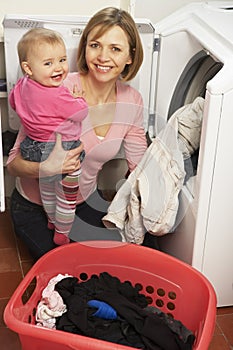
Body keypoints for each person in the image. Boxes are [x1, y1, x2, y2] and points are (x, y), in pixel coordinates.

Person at [7, 7, 148, 260]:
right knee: (64, 271)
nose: (103, 57)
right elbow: (13, 164)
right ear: (85, 48)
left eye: (115, 49)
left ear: (130, 56)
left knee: (111, 263)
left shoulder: (132, 101)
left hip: (83, 201)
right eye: (95, 45)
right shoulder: (56, 85)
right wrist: (47, 168)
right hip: (34, 206)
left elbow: (139, 163)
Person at [9, 28, 88, 246]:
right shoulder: (58, 93)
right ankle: (62, 231)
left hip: (33, 148)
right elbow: (81, 113)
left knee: (47, 190)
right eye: (48, 63)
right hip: (65, 149)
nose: (59, 68)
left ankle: (52, 220)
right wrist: (80, 99)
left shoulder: (22, 86)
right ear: (28, 68)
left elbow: (13, 104)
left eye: (62, 60)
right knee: (66, 198)